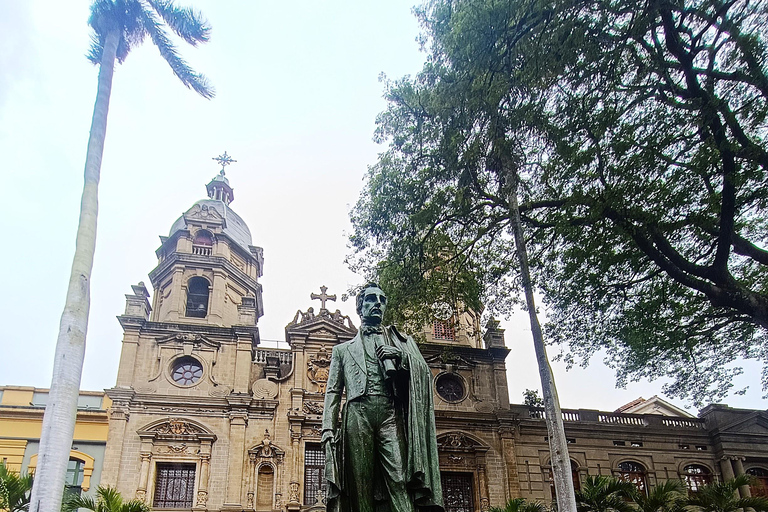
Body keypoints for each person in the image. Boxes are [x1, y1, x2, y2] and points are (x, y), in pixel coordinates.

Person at [322, 283, 444, 512]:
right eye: (370, 299)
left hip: (390, 412)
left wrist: (401, 358)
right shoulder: (342, 350)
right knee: (361, 484)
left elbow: (424, 373)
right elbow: (333, 391)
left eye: (382, 299)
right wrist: (328, 428)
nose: (377, 303)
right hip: (357, 414)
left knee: (399, 479)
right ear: (360, 307)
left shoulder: (400, 341)